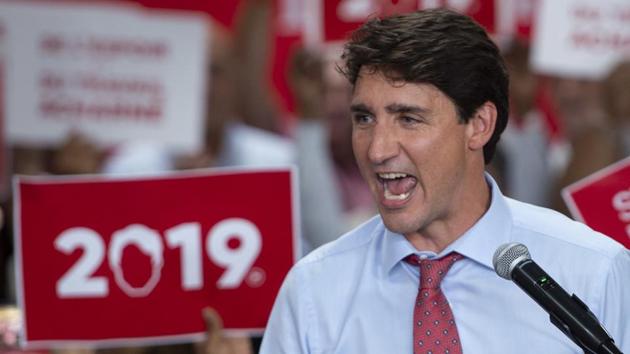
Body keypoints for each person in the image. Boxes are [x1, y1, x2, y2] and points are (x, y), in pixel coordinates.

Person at [259, 8, 630, 354]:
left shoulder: (591, 270)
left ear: (479, 125)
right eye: (364, 119)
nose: (376, 150)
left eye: (408, 118)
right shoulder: (313, 291)